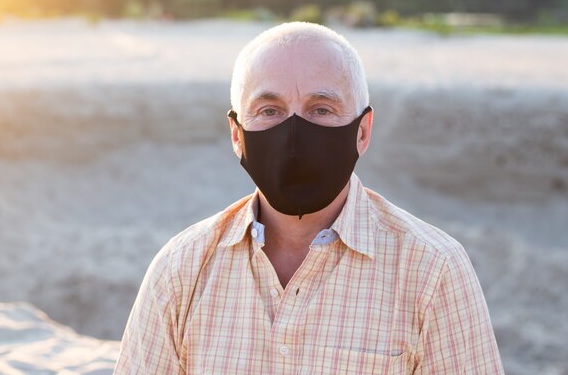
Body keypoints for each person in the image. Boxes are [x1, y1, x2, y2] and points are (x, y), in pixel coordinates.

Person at [113, 22, 505, 375]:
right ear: (237, 134)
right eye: (270, 110)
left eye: (321, 109)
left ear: (362, 132)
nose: (294, 132)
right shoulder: (181, 270)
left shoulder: (433, 271)